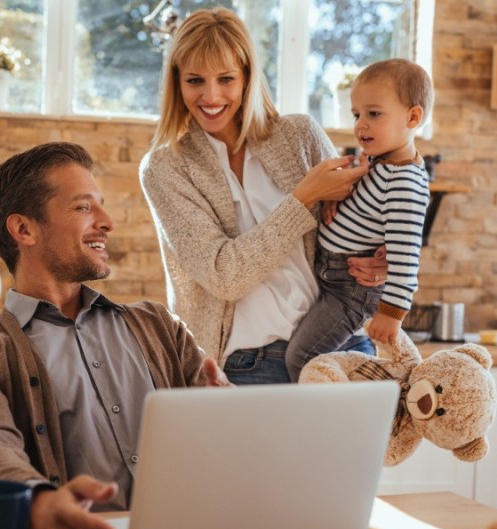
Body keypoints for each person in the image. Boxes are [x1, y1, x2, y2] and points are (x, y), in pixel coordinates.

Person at [0, 142, 231, 529]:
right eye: (83, 207)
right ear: (24, 230)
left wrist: (229, 414)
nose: (106, 223)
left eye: (100, 207)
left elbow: (220, 429)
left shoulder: (159, 326)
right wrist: (39, 505)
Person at [139, 7, 388, 385]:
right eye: (195, 80)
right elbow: (224, 275)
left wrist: (380, 261)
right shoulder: (165, 169)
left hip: (342, 347)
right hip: (251, 366)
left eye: (225, 79)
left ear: (247, 78)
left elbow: (358, 225)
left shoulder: (300, 136)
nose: (211, 95)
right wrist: (302, 198)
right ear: (177, 83)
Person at [285, 59, 433, 382]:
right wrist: (333, 201)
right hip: (331, 275)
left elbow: (407, 257)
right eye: (357, 114)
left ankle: (338, 422)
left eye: (374, 114)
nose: (361, 125)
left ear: (413, 117)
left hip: (349, 289)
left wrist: (390, 314)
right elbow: (360, 207)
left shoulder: (404, 182)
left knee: (302, 357)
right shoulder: (379, 163)